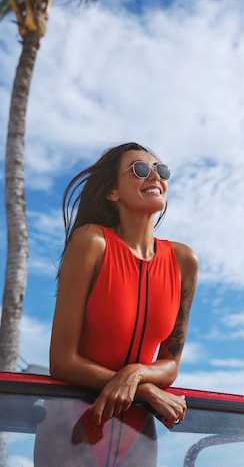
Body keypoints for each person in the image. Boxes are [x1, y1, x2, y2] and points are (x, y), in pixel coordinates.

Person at [34, 142, 198, 466]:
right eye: (138, 169)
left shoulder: (183, 262)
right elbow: (62, 361)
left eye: (160, 170)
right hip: (70, 425)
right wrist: (146, 390)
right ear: (112, 192)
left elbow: (170, 366)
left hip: (137, 433)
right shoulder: (91, 242)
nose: (154, 175)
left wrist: (135, 373)